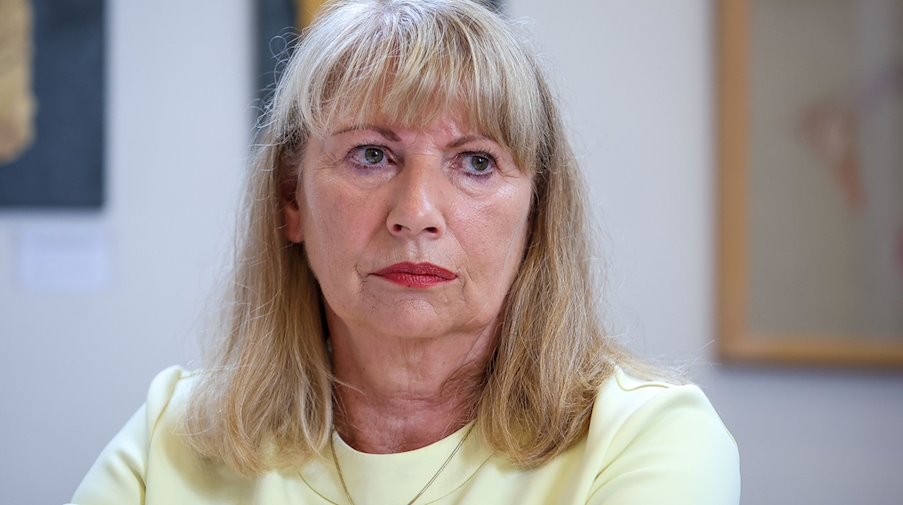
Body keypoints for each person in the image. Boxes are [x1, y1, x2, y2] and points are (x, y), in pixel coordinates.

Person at [69, 0, 740, 503]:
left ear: (537, 214)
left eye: (475, 162)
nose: (415, 213)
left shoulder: (642, 438)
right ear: (291, 201)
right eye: (371, 155)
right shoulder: (177, 435)